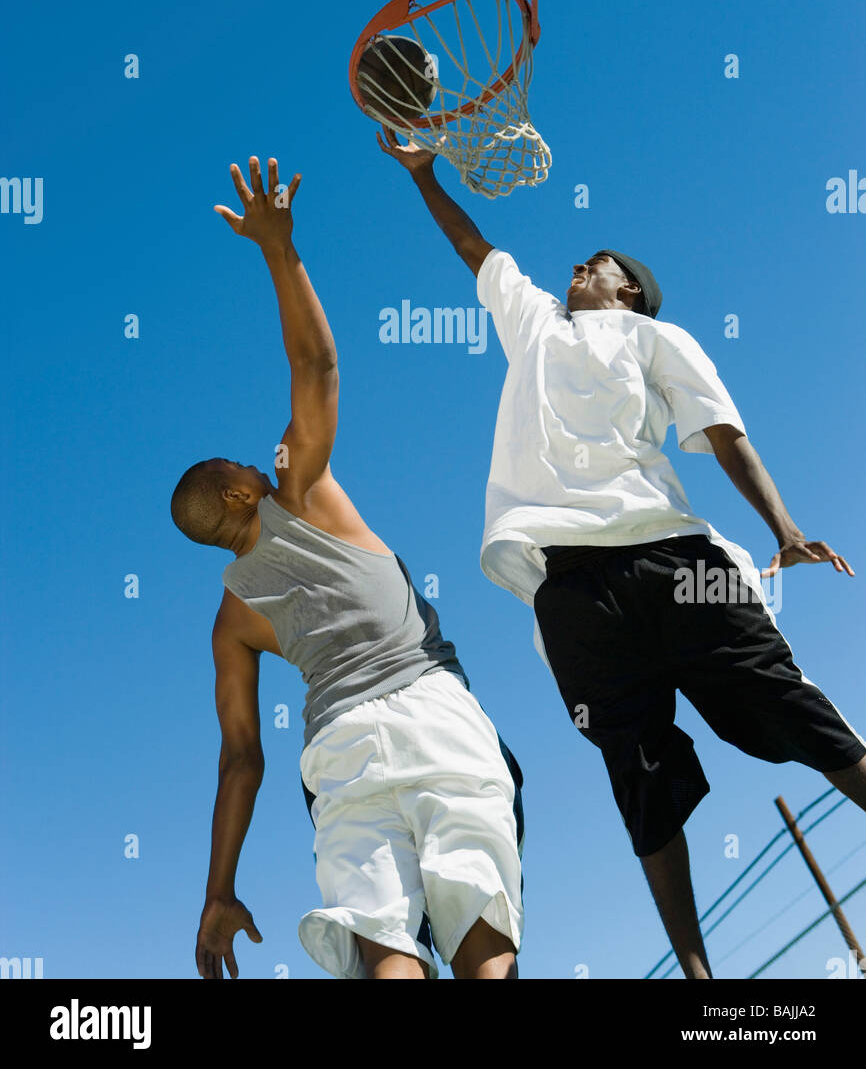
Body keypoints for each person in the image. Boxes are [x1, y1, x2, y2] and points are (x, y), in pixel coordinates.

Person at [379, 128, 866, 979]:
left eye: (596, 262)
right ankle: (700, 982)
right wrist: (423, 174)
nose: (578, 267)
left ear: (629, 290)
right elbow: (472, 246)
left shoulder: (655, 341)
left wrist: (784, 530)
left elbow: (723, 435)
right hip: (571, 591)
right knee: (639, 778)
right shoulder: (532, 323)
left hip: (672, 561)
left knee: (799, 716)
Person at [171, 157, 524, 981]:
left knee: (387, 956)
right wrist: (278, 248)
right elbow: (317, 367)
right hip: (433, 714)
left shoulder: (229, 620)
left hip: (338, 752)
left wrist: (218, 891)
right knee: (481, 937)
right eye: (244, 468)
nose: (259, 464)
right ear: (237, 490)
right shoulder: (295, 489)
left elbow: (241, 759)